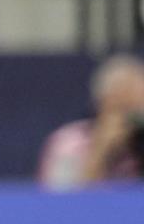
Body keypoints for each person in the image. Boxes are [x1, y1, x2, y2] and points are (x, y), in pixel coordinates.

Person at [39, 52, 144, 186]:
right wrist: (100, 151)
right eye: (122, 108)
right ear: (100, 104)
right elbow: (59, 200)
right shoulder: (68, 144)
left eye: (138, 111)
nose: (130, 120)